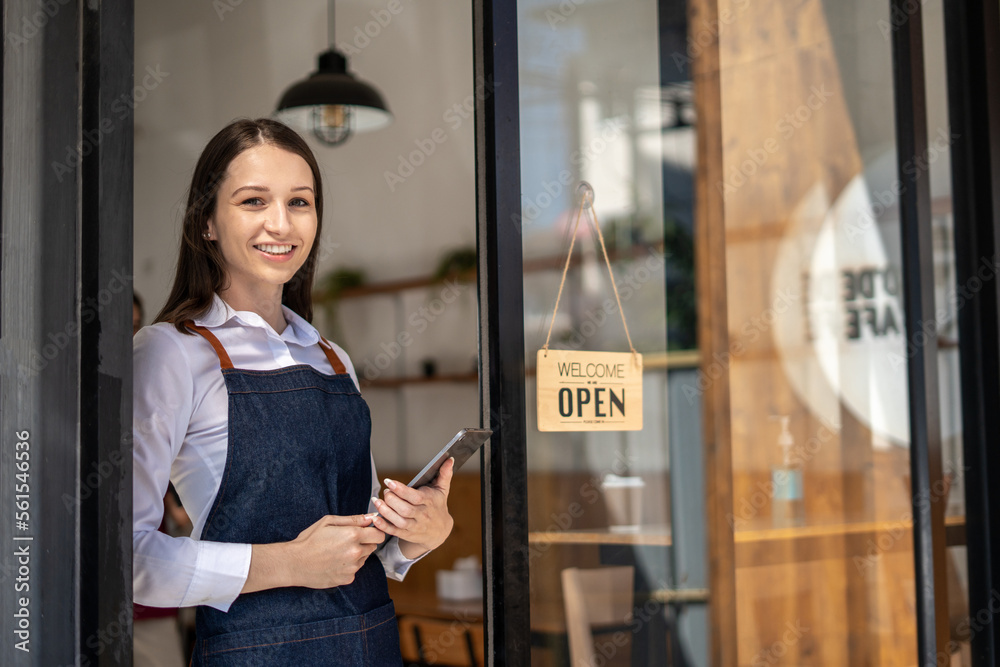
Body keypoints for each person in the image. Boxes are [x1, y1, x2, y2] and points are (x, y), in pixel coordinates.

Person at [132, 118, 454, 666]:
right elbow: (128, 560)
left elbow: (360, 537)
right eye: (254, 201)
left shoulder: (332, 358)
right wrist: (288, 564)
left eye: (299, 202)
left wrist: (419, 534)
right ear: (207, 222)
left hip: (370, 644)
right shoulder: (171, 353)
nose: (280, 223)